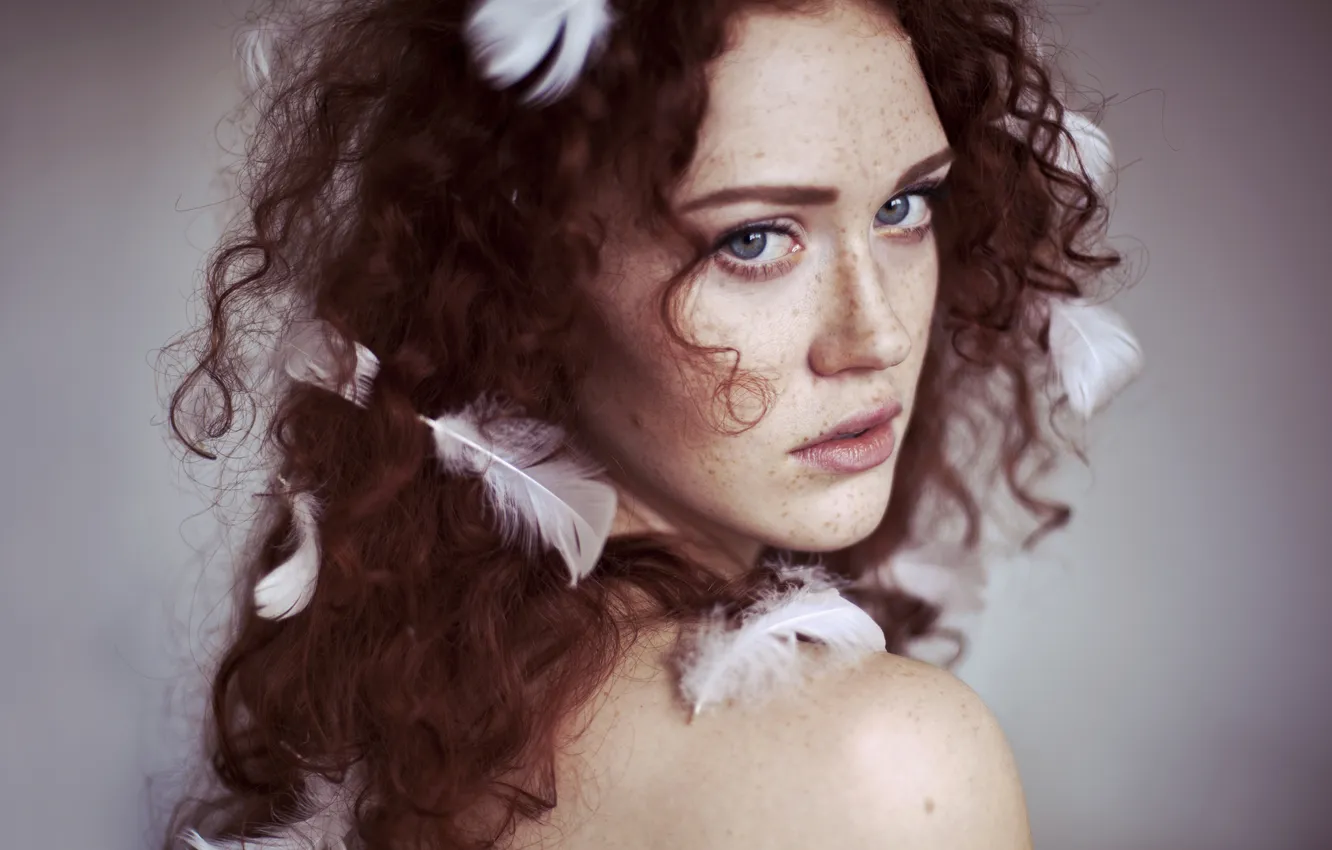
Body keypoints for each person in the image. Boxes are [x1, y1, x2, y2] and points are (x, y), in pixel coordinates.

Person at [162, 0, 1141, 847]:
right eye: (753, 239)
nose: (875, 333)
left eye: (905, 206)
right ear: (525, 273)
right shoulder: (878, 764)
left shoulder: (428, 707)